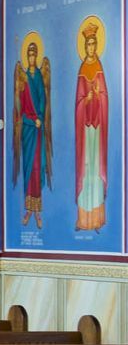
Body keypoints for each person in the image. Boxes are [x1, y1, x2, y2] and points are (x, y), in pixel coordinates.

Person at [13, 37, 52, 230]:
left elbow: (43, 101)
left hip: (37, 130)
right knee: (28, 169)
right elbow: (20, 109)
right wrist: (30, 121)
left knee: (37, 168)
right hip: (28, 130)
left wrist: (40, 118)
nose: (31, 58)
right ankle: (28, 209)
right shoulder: (23, 79)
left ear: (36, 57)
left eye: (33, 55)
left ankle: (37, 211)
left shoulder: (37, 76)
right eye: (29, 55)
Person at [75, 21, 109, 232]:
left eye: (93, 43)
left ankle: (96, 219)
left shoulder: (99, 68)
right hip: (85, 128)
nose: (91, 47)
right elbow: (77, 102)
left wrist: (98, 96)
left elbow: (105, 97)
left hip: (97, 126)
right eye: (88, 44)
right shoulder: (82, 69)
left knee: (95, 169)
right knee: (85, 168)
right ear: (85, 46)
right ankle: (83, 219)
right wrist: (86, 99)